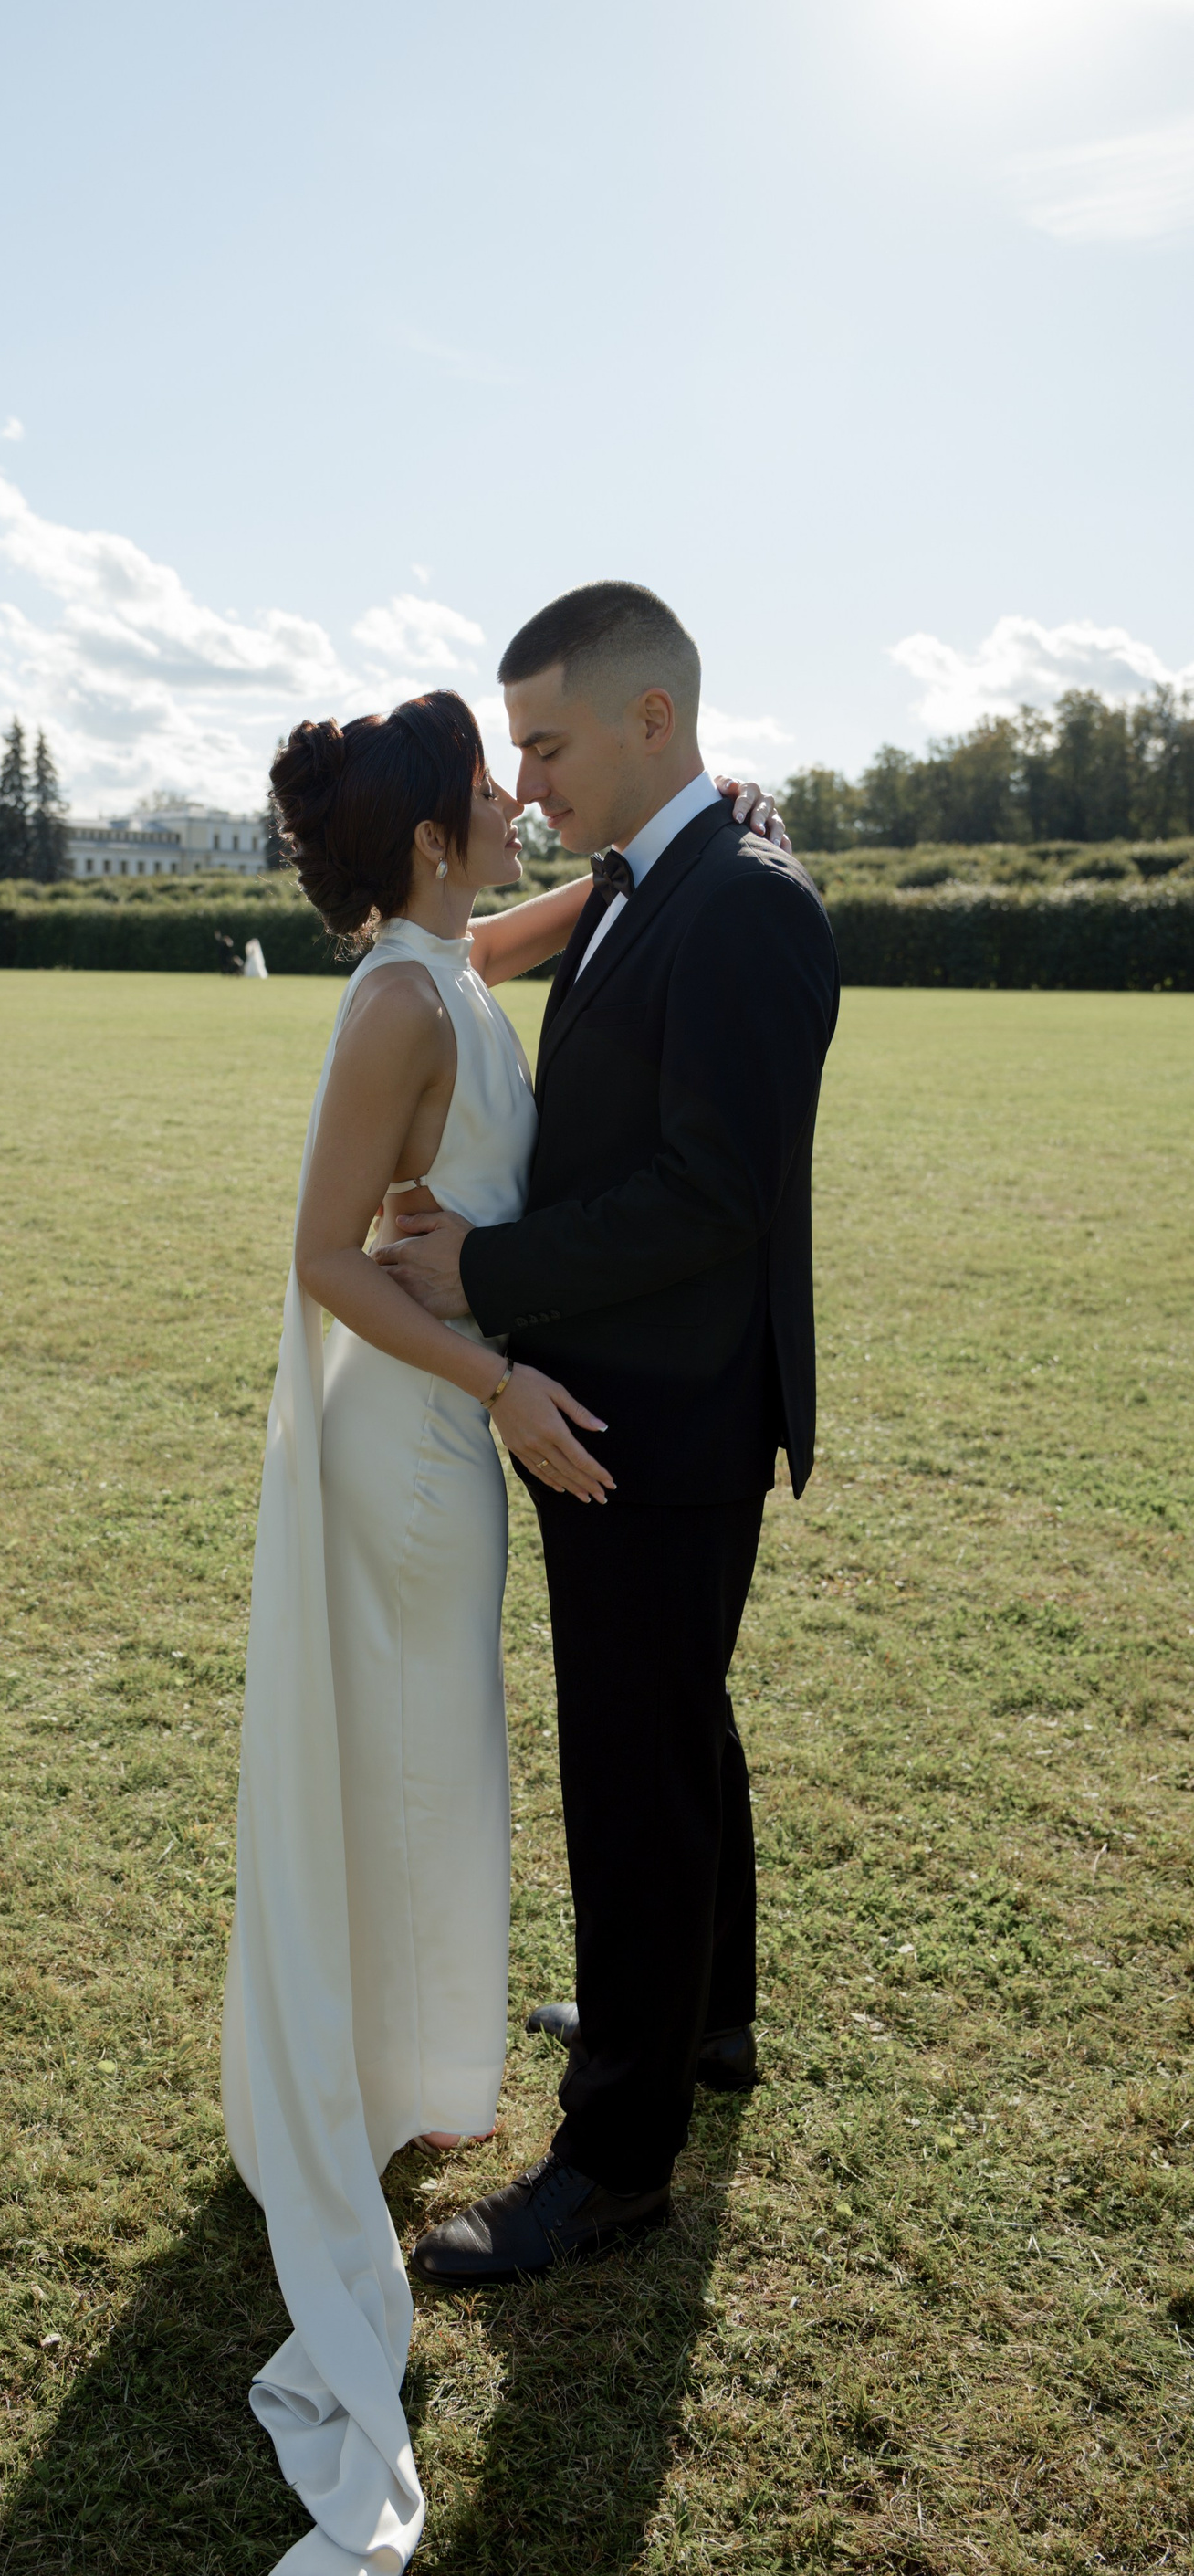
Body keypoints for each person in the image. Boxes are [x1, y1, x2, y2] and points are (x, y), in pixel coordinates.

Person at [222, 682, 787, 2575]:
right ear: (430, 838)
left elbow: (532, 930)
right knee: (420, 1762)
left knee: (432, 1760)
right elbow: (323, 1257)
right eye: (490, 779)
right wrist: (499, 1381)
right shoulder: (399, 999)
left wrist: (656, 856)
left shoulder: (447, 956)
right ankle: (384, 2079)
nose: (516, 795)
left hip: (447, 1433)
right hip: (420, 1438)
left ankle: (402, 2069)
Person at [376, 584, 839, 2295]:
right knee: (675, 1725)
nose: (528, 781)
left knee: (633, 1768)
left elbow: (715, 1194)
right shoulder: (668, 873)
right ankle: (702, 2017)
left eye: (548, 743)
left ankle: (614, 2161)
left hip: (661, 1412)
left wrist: (482, 1273)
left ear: (654, 721)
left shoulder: (747, 907)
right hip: (628, 1397)